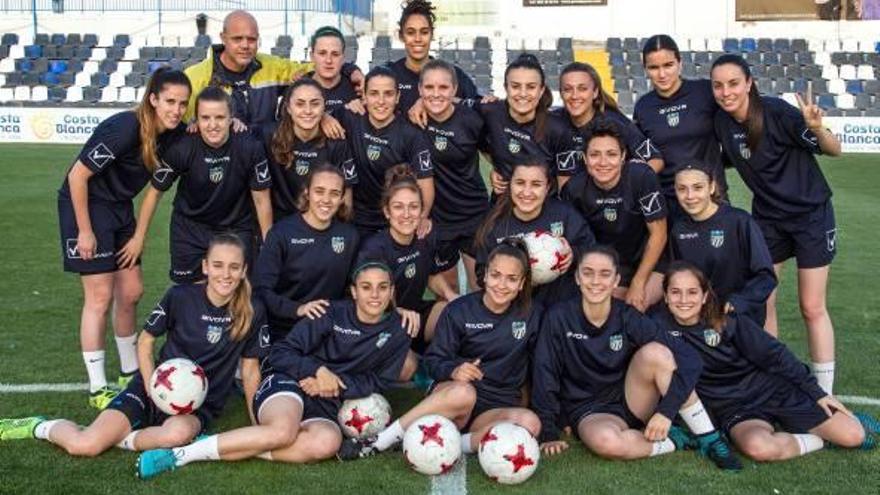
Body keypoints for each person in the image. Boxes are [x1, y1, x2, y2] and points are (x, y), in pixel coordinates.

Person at [0, 234, 269, 459]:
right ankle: (38, 426)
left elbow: (249, 371)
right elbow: (145, 340)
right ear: (205, 266)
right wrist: (153, 387)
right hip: (153, 387)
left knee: (176, 435)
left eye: (234, 267)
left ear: (244, 270)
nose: (226, 274)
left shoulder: (252, 310)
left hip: (197, 404)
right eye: (218, 265)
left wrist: (258, 424)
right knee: (85, 445)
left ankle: (118, 438)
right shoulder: (180, 296)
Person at [135, 261, 410, 478]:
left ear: (392, 291)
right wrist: (316, 371)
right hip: (288, 383)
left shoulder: (398, 331)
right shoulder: (330, 312)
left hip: (329, 401)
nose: (374, 294)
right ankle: (183, 455)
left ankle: (236, 444)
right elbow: (281, 353)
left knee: (325, 444)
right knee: (283, 432)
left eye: (382, 287)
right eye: (366, 287)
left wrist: (333, 384)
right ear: (353, 291)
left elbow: (379, 380)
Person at [533, 247, 741, 470]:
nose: (595, 281)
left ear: (616, 280)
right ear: (576, 277)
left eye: (605, 274)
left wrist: (665, 412)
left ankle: (710, 439)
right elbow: (545, 372)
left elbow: (689, 358)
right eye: (587, 272)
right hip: (589, 409)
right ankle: (676, 440)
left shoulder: (627, 316)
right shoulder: (558, 317)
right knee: (606, 442)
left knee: (656, 353)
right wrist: (548, 429)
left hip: (631, 400)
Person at [57, 67, 190, 409]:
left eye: (182, 103)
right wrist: (84, 231)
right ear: (153, 99)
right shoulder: (124, 127)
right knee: (100, 297)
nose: (176, 110)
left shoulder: (171, 134)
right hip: (87, 207)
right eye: (170, 101)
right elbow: (77, 177)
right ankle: (98, 387)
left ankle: (129, 372)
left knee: (131, 292)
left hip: (118, 209)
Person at [338, 239, 543, 460]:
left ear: (522, 283)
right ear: (484, 275)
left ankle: (456, 444)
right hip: (454, 398)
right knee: (464, 392)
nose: (502, 284)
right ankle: (380, 441)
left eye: (512, 279)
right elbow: (433, 361)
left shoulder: (533, 314)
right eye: (496, 275)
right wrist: (454, 370)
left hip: (493, 409)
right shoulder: (459, 310)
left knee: (530, 424)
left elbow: (539, 366)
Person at [711, 54, 842, 395]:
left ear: (749, 83)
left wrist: (816, 128)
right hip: (768, 219)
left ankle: (824, 395)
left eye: (734, 83)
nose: (726, 92)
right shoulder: (722, 122)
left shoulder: (777, 113)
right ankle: (775, 381)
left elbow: (834, 150)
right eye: (719, 86)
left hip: (811, 216)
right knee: (762, 301)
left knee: (811, 306)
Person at [653, 262, 876, 461]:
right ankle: (819, 439)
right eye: (675, 292)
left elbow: (775, 355)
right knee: (759, 448)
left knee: (853, 436)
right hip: (733, 407)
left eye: (692, 292)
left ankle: (842, 424)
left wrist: (817, 393)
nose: (683, 300)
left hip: (771, 391)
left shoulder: (726, 320)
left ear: (704, 296)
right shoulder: (655, 326)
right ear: (665, 296)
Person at [133, 86, 273, 283]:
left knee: (235, 292)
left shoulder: (249, 147)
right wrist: (139, 237)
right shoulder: (182, 147)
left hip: (235, 229)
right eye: (205, 118)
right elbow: (154, 193)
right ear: (196, 119)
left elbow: (261, 200)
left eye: (220, 118)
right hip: (190, 229)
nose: (213, 125)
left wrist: (269, 244)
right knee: (191, 298)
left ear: (231, 118)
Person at [357, 165, 459, 381]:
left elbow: (431, 275)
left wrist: (450, 295)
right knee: (407, 367)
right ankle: (410, 364)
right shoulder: (375, 248)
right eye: (398, 207)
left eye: (413, 207)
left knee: (452, 311)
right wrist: (397, 312)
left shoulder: (424, 239)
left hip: (413, 317)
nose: (406, 214)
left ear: (422, 210)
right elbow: (370, 301)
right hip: (381, 321)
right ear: (387, 211)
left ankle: (438, 366)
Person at [184, 10, 362, 130]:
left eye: (251, 39)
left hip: (264, 160)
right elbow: (185, 124)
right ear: (223, 38)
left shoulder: (272, 67)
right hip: (221, 165)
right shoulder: (195, 77)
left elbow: (319, 66)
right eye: (237, 39)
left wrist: (351, 70)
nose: (245, 45)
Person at [561, 122, 667, 312]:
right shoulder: (574, 189)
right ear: (585, 158)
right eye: (595, 155)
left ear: (623, 156)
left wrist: (638, 282)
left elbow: (659, 234)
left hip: (649, 259)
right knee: (603, 309)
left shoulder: (642, 177)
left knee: (636, 307)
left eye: (611, 154)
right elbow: (576, 240)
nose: (603, 162)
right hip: (609, 261)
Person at [254, 164, 360, 342]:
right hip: (285, 331)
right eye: (319, 191)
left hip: (328, 330)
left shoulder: (350, 236)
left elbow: (353, 291)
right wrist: (298, 309)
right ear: (307, 193)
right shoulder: (282, 234)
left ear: (342, 198)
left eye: (334, 193)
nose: (326, 200)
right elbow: (261, 290)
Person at [634, 34, 728, 220]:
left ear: (680, 63)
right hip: (668, 200)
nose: (662, 74)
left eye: (668, 65)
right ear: (645, 69)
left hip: (711, 195)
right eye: (654, 67)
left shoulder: (705, 92)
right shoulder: (643, 107)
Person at [474, 161, 595, 305]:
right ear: (510, 185)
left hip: (560, 306)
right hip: (516, 311)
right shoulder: (494, 224)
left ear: (547, 187)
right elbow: (482, 273)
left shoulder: (564, 215)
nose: (526, 192)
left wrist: (573, 255)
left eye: (536, 184)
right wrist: (509, 277)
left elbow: (592, 252)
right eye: (520, 183)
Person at [333, 67, 435, 236]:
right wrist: (325, 118)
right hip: (355, 218)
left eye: (388, 94)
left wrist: (422, 217)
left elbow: (426, 183)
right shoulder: (349, 117)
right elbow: (314, 119)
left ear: (397, 97)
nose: (381, 101)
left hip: (395, 220)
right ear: (363, 96)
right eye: (374, 93)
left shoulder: (411, 134)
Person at [670, 163, 776, 325]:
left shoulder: (740, 221)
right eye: (682, 189)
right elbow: (677, 277)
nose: (690, 196)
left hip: (738, 319)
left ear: (712, 187)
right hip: (698, 321)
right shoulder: (678, 230)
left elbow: (766, 276)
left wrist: (739, 302)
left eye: (698, 187)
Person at [417, 59, 489, 291]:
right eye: (429, 88)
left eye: (443, 87)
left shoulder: (472, 120)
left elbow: (494, 154)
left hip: (474, 217)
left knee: (480, 289)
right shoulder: (413, 121)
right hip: (438, 222)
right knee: (449, 294)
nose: (436, 94)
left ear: (455, 90)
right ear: (420, 90)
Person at [478, 54, 580, 194]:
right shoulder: (490, 112)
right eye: (515, 86)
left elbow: (565, 185)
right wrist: (497, 168)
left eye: (531, 87)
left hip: (544, 209)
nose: (523, 93)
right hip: (502, 206)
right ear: (506, 87)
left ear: (541, 90)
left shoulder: (558, 129)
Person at [259, 78, 356, 221]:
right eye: (300, 104)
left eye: (315, 104)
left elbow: (346, 196)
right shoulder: (267, 135)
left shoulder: (336, 141)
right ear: (288, 108)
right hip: (281, 222)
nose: (308, 111)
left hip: (322, 222)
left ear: (324, 107)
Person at [553, 62, 662, 185]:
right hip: (572, 199)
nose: (574, 95)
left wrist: (629, 188)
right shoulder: (553, 122)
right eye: (567, 89)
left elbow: (655, 160)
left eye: (582, 88)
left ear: (595, 92)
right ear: (561, 93)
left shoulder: (615, 122)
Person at [387, 0, 480, 114]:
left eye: (424, 32)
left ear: (432, 35)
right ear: (401, 36)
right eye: (411, 33)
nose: (418, 39)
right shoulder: (389, 74)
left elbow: (477, 107)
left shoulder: (452, 74)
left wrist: (440, 100)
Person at [307, 26, 360, 113]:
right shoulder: (297, 89)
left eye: (335, 54)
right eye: (322, 53)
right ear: (312, 56)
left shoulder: (358, 89)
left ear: (343, 57)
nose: (328, 60)